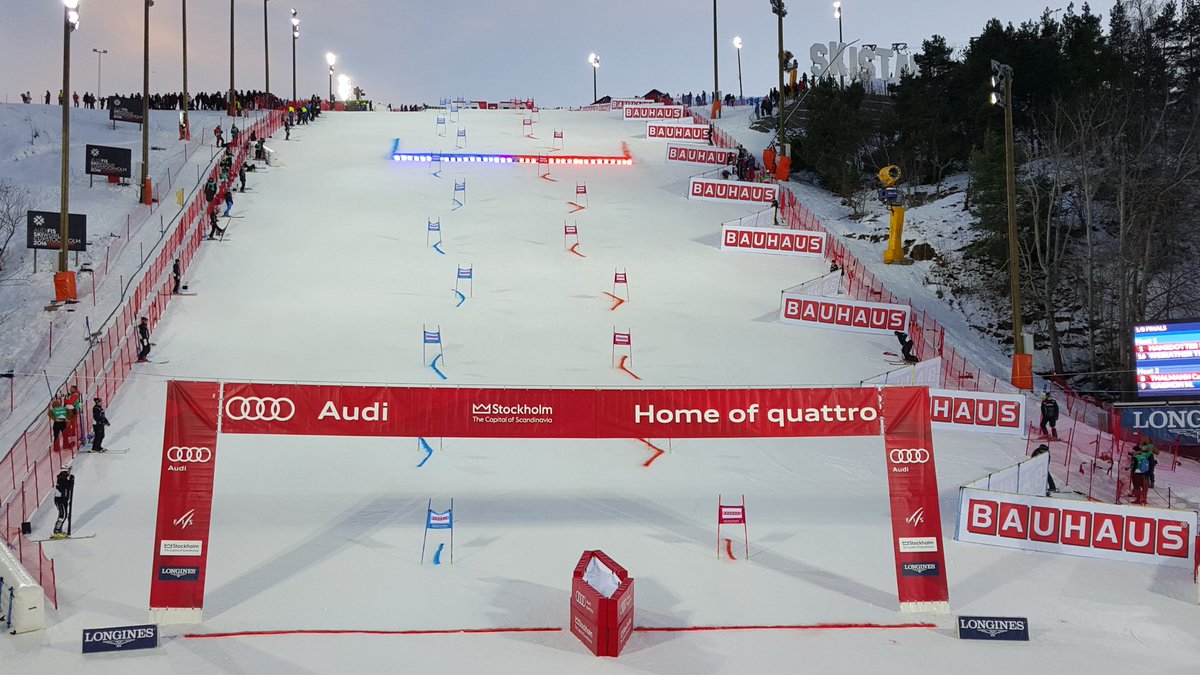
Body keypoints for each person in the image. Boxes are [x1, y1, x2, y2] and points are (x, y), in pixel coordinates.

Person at [53, 464, 75, 538]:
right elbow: (68, 487)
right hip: (60, 500)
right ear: (66, 470)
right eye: (69, 470)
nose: (70, 472)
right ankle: (56, 531)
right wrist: (71, 481)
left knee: (64, 515)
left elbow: (67, 488)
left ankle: (59, 530)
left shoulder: (63, 478)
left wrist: (70, 480)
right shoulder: (62, 478)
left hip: (63, 500)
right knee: (63, 515)